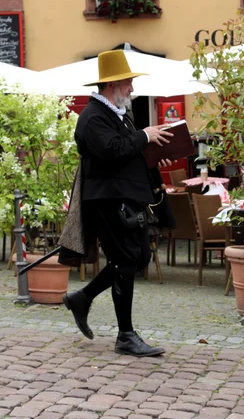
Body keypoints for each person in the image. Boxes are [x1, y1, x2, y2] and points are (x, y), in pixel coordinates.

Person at [62, 49, 174, 357]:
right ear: (112, 85)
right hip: (106, 202)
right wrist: (144, 137)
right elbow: (111, 151)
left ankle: (82, 298)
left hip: (125, 199)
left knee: (138, 259)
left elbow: (126, 152)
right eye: (128, 83)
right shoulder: (91, 117)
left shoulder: (118, 116)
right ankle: (125, 334)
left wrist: (151, 153)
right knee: (125, 260)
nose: (132, 89)